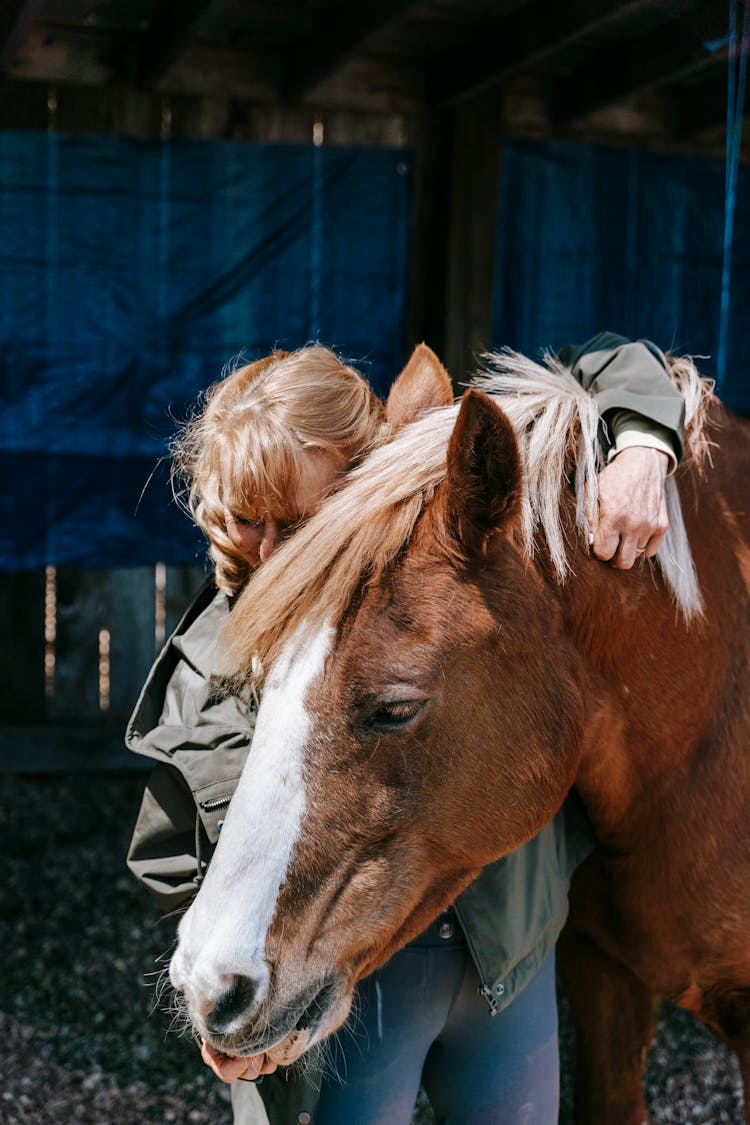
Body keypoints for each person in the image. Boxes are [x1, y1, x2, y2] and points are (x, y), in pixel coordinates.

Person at [126, 335, 685, 1125]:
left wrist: (642, 445)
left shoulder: (403, 577)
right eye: (252, 521)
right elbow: (181, 855)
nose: (281, 550)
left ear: (377, 469)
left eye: (305, 518)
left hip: (502, 962)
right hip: (343, 1000)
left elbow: (609, 358)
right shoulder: (215, 659)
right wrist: (240, 977)